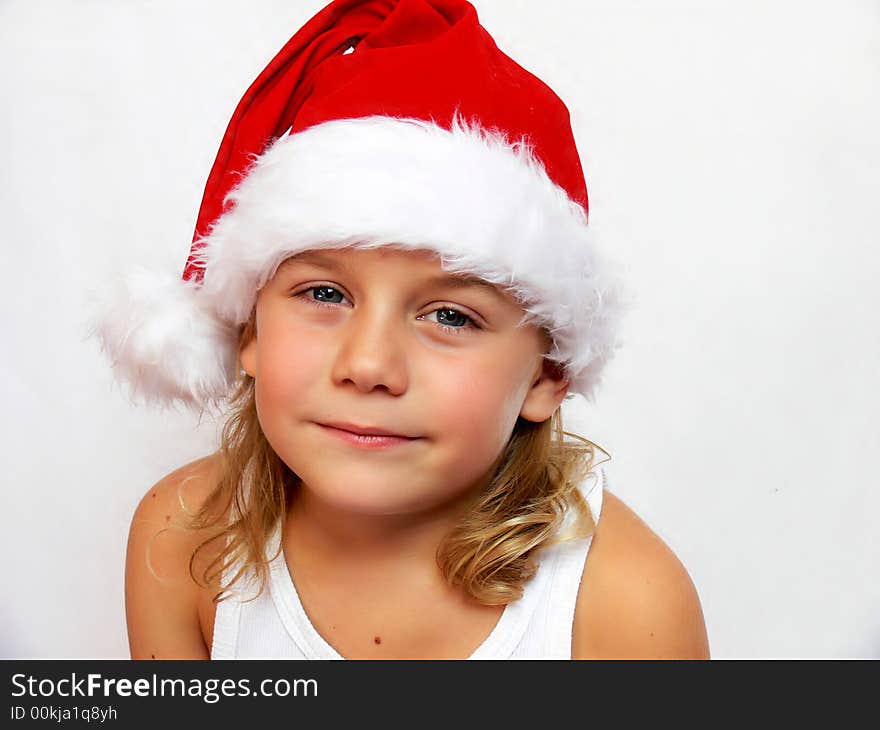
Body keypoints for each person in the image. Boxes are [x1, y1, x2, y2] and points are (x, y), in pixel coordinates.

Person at [95, 0, 709, 659]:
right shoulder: (182, 538)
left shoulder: (623, 603)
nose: (368, 365)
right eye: (325, 293)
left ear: (547, 373)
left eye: (450, 315)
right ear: (248, 331)